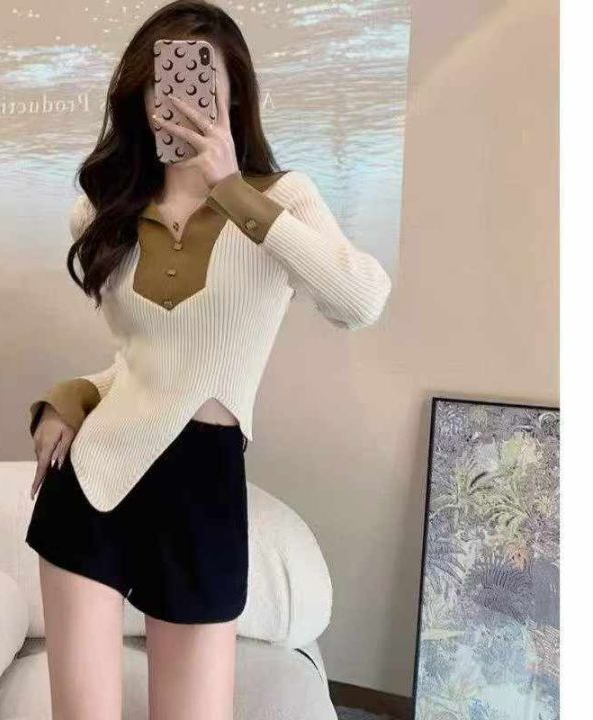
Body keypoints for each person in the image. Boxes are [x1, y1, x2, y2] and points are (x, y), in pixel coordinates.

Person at [24, 1, 392, 718]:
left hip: (202, 483)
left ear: (236, 95)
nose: (181, 98)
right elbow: (144, 364)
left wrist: (232, 190)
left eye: (200, 80)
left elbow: (361, 300)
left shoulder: (282, 200)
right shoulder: (102, 214)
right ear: (139, 94)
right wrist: (73, 393)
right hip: (94, 479)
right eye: (163, 81)